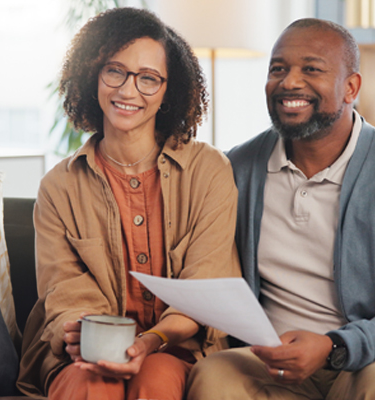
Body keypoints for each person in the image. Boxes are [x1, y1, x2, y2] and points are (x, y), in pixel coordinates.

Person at [186, 18, 375, 400]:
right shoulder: (237, 168)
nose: (289, 82)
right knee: (214, 374)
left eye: (311, 69)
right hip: (271, 363)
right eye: (278, 69)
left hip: (370, 360)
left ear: (351, 87)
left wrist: (333, 347)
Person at [16, 8, 241, 400]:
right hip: (81, 354)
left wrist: (150, 342)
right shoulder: (59, 186)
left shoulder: (209, 171)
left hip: (175, 347)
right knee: (90, 384)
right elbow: (66, 294)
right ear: (93, 75)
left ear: (168, 91)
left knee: (154, 380)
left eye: (148, 79)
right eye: (115, 71)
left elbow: (205, 289)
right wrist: (80, 331)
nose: (127, 90)